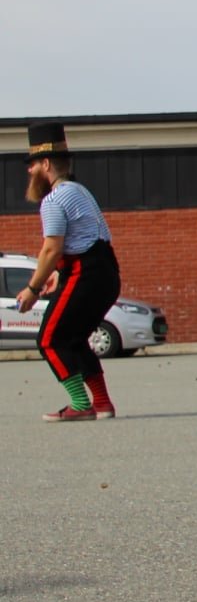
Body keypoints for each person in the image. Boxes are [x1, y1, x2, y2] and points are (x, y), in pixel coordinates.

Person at [15, 122, 122, 422]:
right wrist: (58, 274)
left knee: (49, 339)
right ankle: (102, 403)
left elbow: (52, 248)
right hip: (106, 273)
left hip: (87, 273)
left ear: (45, 164)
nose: (29, 171)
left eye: (33, 164)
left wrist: (32, 289)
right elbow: (84, 240)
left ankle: (80, 403)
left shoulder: (53, 200)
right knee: (74, 338)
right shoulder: (80, 191)